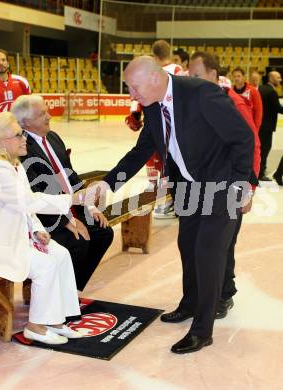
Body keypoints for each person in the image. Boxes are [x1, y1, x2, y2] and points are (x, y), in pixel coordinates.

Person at [91, 56, 254, 354]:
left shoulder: (201, 94)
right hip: (189, 187)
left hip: (223, 185)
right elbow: (142, 150)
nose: (131, 94)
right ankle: (190, 303)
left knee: (208, 252)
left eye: (134, 86)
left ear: (154, 78)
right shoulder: (153, 106)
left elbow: (242, 138)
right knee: (187, 246)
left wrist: (243, 184)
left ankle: (202, 330)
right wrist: (109, 183)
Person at [0, 112, 88, 345]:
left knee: (60, 254)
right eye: (18, 135)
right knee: (46, 265)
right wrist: (71, 199)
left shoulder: (12, 165)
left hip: (11, 237)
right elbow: (27, 202)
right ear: (1, 142)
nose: (24, 139)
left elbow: (23, 205)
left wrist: (37, 228)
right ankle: (36, 326)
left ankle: (57, 319)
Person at [11, 95, 114, 292]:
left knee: (103, 233)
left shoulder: (53, 137)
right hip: (47, 215)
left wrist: (89, 206)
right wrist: (66, 219)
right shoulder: (22, 148)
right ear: (25, 123)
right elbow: (36, 196)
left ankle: (72, 290)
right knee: (78, 242)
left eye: (47, 111)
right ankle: (59, 297)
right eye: (42, 114)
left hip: (70, 204)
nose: (49, 116)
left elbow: (70, 175)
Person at [189, 51, 260, 318]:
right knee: (204, 243)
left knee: (223, 244)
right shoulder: (196, 103)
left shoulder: (233, 103)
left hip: (232, 185)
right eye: (189, 76)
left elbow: (252, 144)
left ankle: (224, 293)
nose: (192, 81)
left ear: (213, 75)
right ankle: (206, 291)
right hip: (205, 186)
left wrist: (248, 189)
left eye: (197, 75)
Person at [125, 39, 182, 219]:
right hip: (176, 124)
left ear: (154, 55)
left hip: (155, 122)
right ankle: (173, 199)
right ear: (170, 53)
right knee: (173, 162)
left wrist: (135, 115)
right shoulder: (179, 70)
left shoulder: (151, 72)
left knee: (152, 155)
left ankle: (158, 190)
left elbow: (137, 98)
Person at [258, 71, 283, 181]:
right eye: (278, 77)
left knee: (260, 149)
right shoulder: (271, 92)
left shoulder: (261, 88)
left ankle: (258, 170)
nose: (280, 79)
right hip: (267, 126)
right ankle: (260, 172)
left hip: (260, 124)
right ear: (271, 78)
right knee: (265, 149)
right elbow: (278, 108)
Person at [232, 67, 263, 131]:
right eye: (234, 76)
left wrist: (256, 128)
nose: (236, 78)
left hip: (249, 126)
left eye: (238, 76)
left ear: (244, 77)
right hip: (235, 126)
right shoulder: (230, 91)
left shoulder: (253, 91)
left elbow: (258, 111)